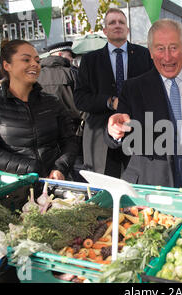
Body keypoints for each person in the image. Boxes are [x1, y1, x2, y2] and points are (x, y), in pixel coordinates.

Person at [106, 19, 182, 190]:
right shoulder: (133, 88)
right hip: (151, 186)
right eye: (160, 48)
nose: (167, 57)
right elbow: (120, 139)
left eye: (174, 47)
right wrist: (114, 131)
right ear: (151, 51)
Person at [0, 40, 79, 179]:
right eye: (26, 59)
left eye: (37, 60)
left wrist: (60, 167)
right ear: (7, 65)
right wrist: (33, 168)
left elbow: (70, 140)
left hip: (54, 184)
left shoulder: (52, 101)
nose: (34, 64)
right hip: (16, 187)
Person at [74, 8, 154, 178]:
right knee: (103, 194)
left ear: (128, 29)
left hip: (138, 135)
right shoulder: (90, 60)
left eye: (121, 22)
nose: (117, 25)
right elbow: (80, 99)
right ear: (105, 31)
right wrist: (109, 102)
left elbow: (154, 92)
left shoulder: (145, 55)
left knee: (136, 191)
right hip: (100, 139)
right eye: (112, 22)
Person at [38, 41, 81, 136]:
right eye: (70, 56)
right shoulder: (72, 73)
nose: (71, 59)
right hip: (71, 129)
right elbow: (82, 103)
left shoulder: (36, 75)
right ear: (60, 54)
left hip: (43, 129)